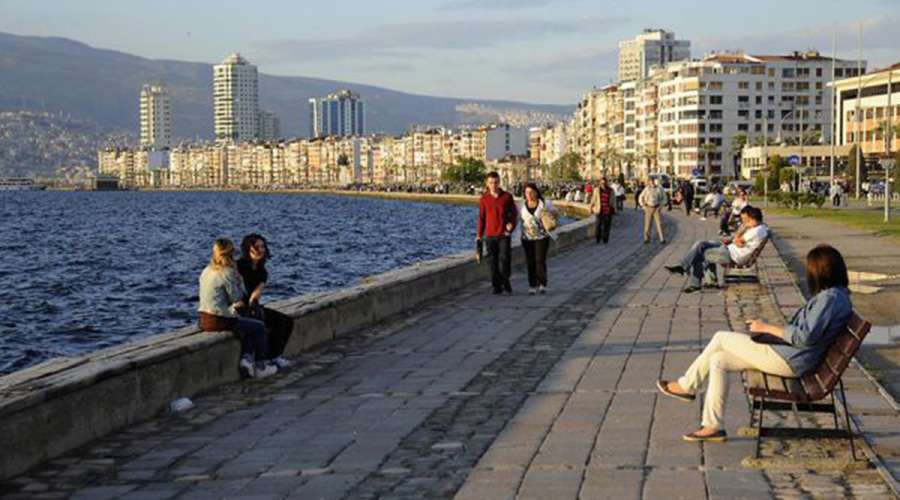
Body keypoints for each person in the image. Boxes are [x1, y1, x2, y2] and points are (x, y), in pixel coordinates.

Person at [657, 244, 852, 442]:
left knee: (721, 337)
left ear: (820, 273)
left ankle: (686, 386)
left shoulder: (830, 298)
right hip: (791, 356)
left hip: (790, 360)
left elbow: (805, 337)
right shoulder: (836, 296)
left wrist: (767, 328)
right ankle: (712, 426)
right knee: (718, 360)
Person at [198, 239, 277, 379]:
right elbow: (237, 299)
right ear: (231, 254)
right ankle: (260, 366)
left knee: (249, 320)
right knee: (258, 326)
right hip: (220, 320)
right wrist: (240, 281)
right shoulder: (227, 272)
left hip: (204, 319)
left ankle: (246, 359)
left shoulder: (206, 271)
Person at [666, 206, 767, 292]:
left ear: (752, 219)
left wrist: (742, 232)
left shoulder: (756, 231)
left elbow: (738, 238)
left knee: (700, 253)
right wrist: (737, 239)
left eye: (746, 220)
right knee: (700, 244)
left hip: (732, 255)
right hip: (729, 248)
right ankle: (683, 268)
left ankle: (695, 283)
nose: (744, 222)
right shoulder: (760, 228)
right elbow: (737, 240)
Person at [237, 234, 295, 370]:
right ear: (248, 249)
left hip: (251, 306)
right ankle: (258, 361)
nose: (260, 250)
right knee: (257, 321)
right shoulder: (238, 266)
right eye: (256, 247)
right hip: (237, 307)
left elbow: (255, 295)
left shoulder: (262, 271)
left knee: (285, 321)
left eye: (262, 246)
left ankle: (274, 356)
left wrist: (253, 306)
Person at [477, 172, 518, 295]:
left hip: (503, 234)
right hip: (490, 235)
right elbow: (481, 218)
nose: (493, 185)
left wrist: (511, 226)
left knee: (505, 259)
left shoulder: (507, 197)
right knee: (492, 262)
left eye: (495, 182)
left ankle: (505, 280)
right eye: (491, 183)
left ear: (499, 182)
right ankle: (496, 286)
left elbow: (514, 214)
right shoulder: (484, 199)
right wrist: (479, 235)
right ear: (487, 184)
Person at [520, 183, 555, 295]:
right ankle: (532, 284)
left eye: (531, 192)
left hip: (542, 237)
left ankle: (542, 283)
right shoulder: (521, 206)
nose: (529, 195)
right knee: (530, 261)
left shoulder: (544, 204)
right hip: (527, 237)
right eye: (526, 193)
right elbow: (517, 219)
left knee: (540, 260)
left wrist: (551, 217)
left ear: (536, 192)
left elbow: (555, 214)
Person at [639, 178, 666, 244]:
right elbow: (640, 197)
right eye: (651, 182)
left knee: (659, 224)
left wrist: (661, 206)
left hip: (656, 207)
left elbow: (664, 198)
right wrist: (643, 206)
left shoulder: (659, 189)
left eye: (653, 181)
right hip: (648, 207)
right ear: (648, 182)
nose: (653, 183)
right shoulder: (646, 189)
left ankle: (662, 238)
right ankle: (647, 238)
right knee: (647, 224)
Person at [591, 177, 615, 244]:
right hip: (599, 210)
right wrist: (591, 207)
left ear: (606, 183)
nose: (603, 184)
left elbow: (613, 200)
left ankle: (605, 239)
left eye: (604, 183)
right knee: (598, 225)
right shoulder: (597, 190)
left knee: (607, 225)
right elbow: (593, 199)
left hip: (608, 210)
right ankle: (598, 238)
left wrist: (613, 208)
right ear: (600, 183)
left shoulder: (611, 190)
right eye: (602, 183)